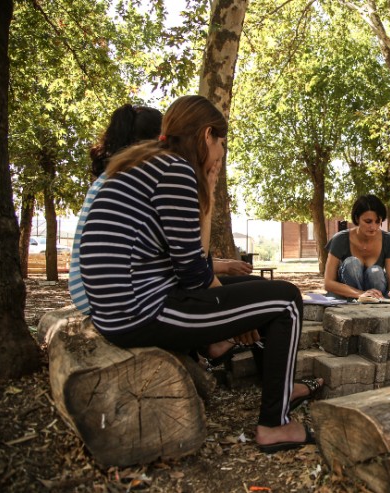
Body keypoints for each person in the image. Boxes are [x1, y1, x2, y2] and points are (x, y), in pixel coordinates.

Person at [79, 95, 316, 453]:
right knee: (286, 301)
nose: (221, 154)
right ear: (208, 135)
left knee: (257, 289)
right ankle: (275, 424)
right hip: (140, 311)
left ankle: (271, 383)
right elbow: (194, 273)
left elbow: (194, 262)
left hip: (121, 308)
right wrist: (234, 317)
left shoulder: (148, 163)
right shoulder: (175, 171)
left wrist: (235, 311)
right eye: (222, 144)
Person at [69, 104, 254, 315]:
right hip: (115, 298)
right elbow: (188, 266)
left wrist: (221, 266)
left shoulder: (120, 175)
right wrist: (230, 309)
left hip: (93, 290)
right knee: (267, 298)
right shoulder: (160, 175)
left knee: (248, 289)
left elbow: (177, 254)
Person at [324, 194, 390, 300]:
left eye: (377, 221)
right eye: (368, 221)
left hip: (377, 295)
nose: (373, 227)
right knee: (352, 263)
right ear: (357, 218)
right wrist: (360, 294)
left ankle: (374, 302)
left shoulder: (389, 240)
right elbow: (328, 283)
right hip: (348, 296)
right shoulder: (340, 239)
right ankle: (362, 302)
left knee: (376, 271)